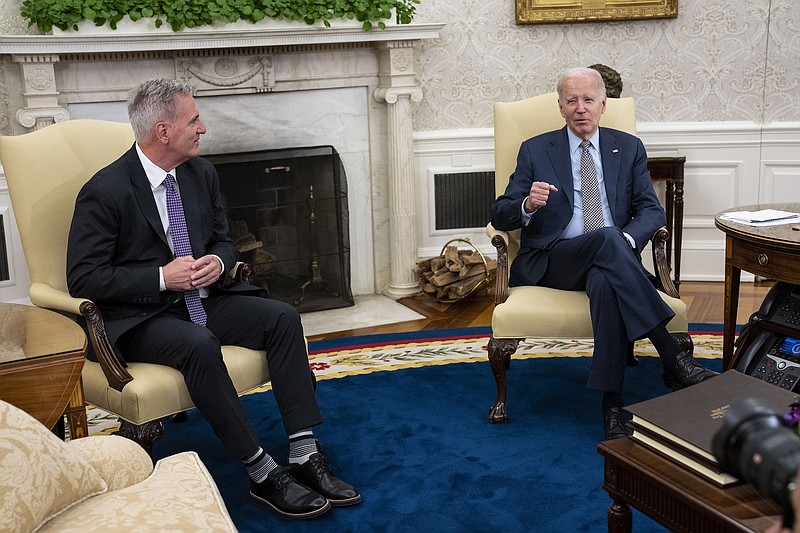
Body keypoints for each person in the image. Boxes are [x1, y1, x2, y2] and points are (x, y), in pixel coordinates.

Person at [66, 78, 360, 519]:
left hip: (203, 298)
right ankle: (261, 471)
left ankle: (302, 452)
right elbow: (83, 276)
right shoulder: (105, 190)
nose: (202, 127)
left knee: (281, 317)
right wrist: (161, 277)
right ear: (163, 131)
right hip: (141, 317)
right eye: (194, 119)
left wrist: (219, 265)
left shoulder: (201, 173)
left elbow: (225, 241)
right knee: (198, 343)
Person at [490, 67, 718, 441]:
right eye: (572, 101)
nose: (581, 108)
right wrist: (528, 205)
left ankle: (612, 410)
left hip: (611, 258)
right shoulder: (535, 149)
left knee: (607, 276)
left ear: (603, 104)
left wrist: (627, 242)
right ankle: (673, 357)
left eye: (588, 100)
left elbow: (651, 211)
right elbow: (500, 212)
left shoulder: (628, 147)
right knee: (609, 241)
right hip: (554, 260)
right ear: (560, 107)